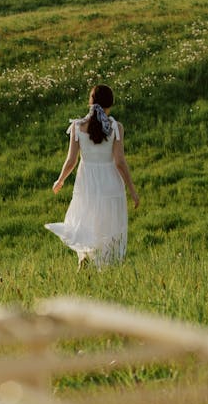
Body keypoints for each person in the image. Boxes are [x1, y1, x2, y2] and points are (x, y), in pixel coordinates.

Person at [45, 84, 139, 269]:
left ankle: (85, 256)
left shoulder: (77, 126)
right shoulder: (115, 127)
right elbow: (120, 162)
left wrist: (60, 179)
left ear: (90, 101)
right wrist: (132, 190)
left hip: (87, 181)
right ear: (110, 103)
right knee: (108, 223)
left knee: (87, 219)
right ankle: (104, 263)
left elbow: (71, 160)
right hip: (110, 181)